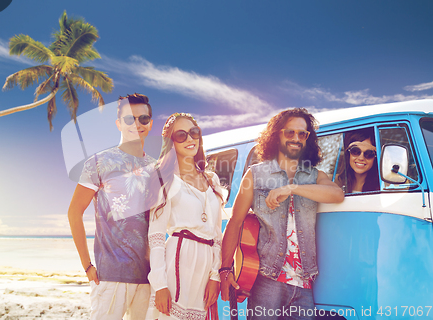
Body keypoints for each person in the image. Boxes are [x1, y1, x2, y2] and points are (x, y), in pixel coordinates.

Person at [220, 108, 344, 320]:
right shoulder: (256, 174)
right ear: (277, 135)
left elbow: (337, 194)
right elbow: (235, 222)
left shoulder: (315, 176)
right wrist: (224, 270)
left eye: (302, 134)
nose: (296, 138)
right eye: (290, 132)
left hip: (304, 284)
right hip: (267, 280)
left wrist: (292, 188)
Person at [68, 93, 155, 320]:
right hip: (110, 276)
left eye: (143, 119)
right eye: (129, 119)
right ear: (118, 124)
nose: (137, 124)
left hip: (150, 277)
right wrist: (87, 266)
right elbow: (74, 212)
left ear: (150, 123)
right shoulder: (98, 163)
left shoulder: (156, 168)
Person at [145, 113, 224, 320]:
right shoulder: (165, 179)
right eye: (181, 135)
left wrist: (215, 276)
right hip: (178, 261)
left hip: (205, 266)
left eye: (194, 133)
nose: (190, 139)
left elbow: (217, 234)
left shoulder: (212, 179)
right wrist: (160, 285)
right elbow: (156, 238)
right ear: (171, 143)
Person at [336, 128, 379, 193]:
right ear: (348, 154)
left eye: (369, 154)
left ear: (375, 157)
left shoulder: (382, 186)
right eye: (355, 151)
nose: (361, 158)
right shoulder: (335, 182)